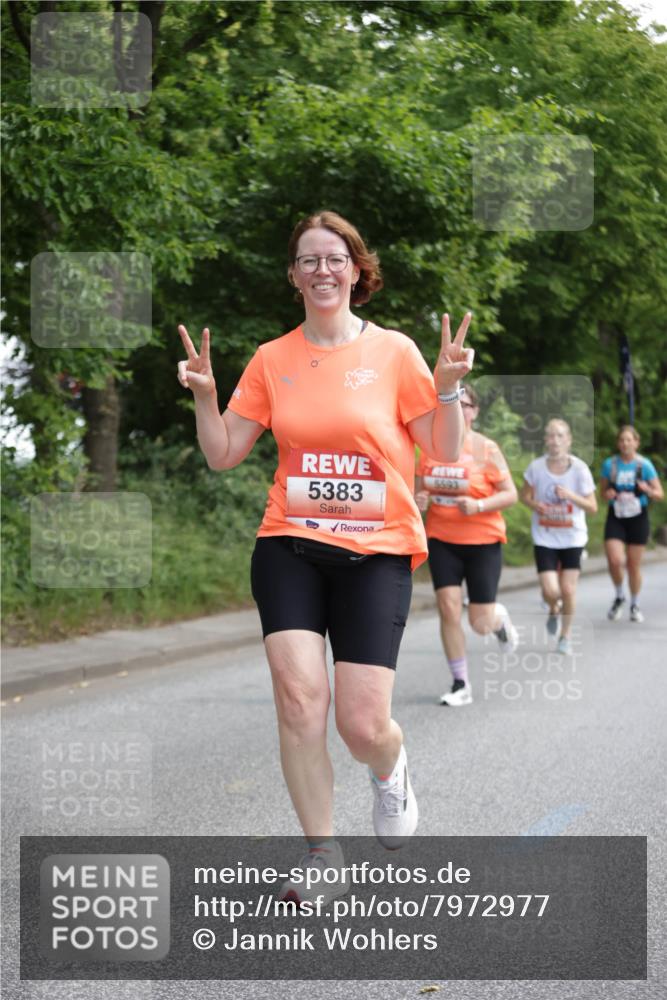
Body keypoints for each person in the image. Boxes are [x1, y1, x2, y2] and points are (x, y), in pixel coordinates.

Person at [177, 210, 474, 903]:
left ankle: (389, 767)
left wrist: (450, 385)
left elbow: (446, 449)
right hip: (290, 543)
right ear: (293, 276)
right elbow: (223, 455)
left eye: (334, 258)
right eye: (308, 260)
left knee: (361, 723)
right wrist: (206, 395)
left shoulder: (396, 353)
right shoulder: (271, 360)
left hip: (376, 552)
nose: (322, 270)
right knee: (299, 699)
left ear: (355, 269)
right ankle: (321, 854)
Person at [415, 384, 519, 707]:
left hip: (482, 540)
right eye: (453, 403)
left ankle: (498, 622)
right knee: (448, 607)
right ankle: (461, 683)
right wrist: (419, 500)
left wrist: (479, 506)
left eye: (466, 405)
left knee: (480, 622)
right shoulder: (429, 448)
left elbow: (510, 494)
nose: (459, 410)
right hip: (443, 538)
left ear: (474, 412)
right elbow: (418, 493)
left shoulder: (487, 449)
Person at [520, 419, 597, 656]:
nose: (555, 440)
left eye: (560, 436)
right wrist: (536, 505)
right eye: (550, 436)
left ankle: (565, 637)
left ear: (569, 440)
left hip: (573, 537)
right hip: (545, 536)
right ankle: (554, 607)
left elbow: (592, 507)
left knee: (568, 589)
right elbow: (524, 496)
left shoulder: (581, 469)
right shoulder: (536, 467)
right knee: (551, 591)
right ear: (545, 440)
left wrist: (571, 496)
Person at [600, 425, 663, 623]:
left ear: (636, 442)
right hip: (616, 517)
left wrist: (648, 490)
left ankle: (635, 604)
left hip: (638, 517)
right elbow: (602, 493)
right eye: (622, 440)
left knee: (633, 565)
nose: (625, 443)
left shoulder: (644, 465)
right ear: (618, 443)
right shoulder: (610, 465)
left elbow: (660, 494)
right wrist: (607, 494)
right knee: (615, 560)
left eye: (629, 440)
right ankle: (620, 596)